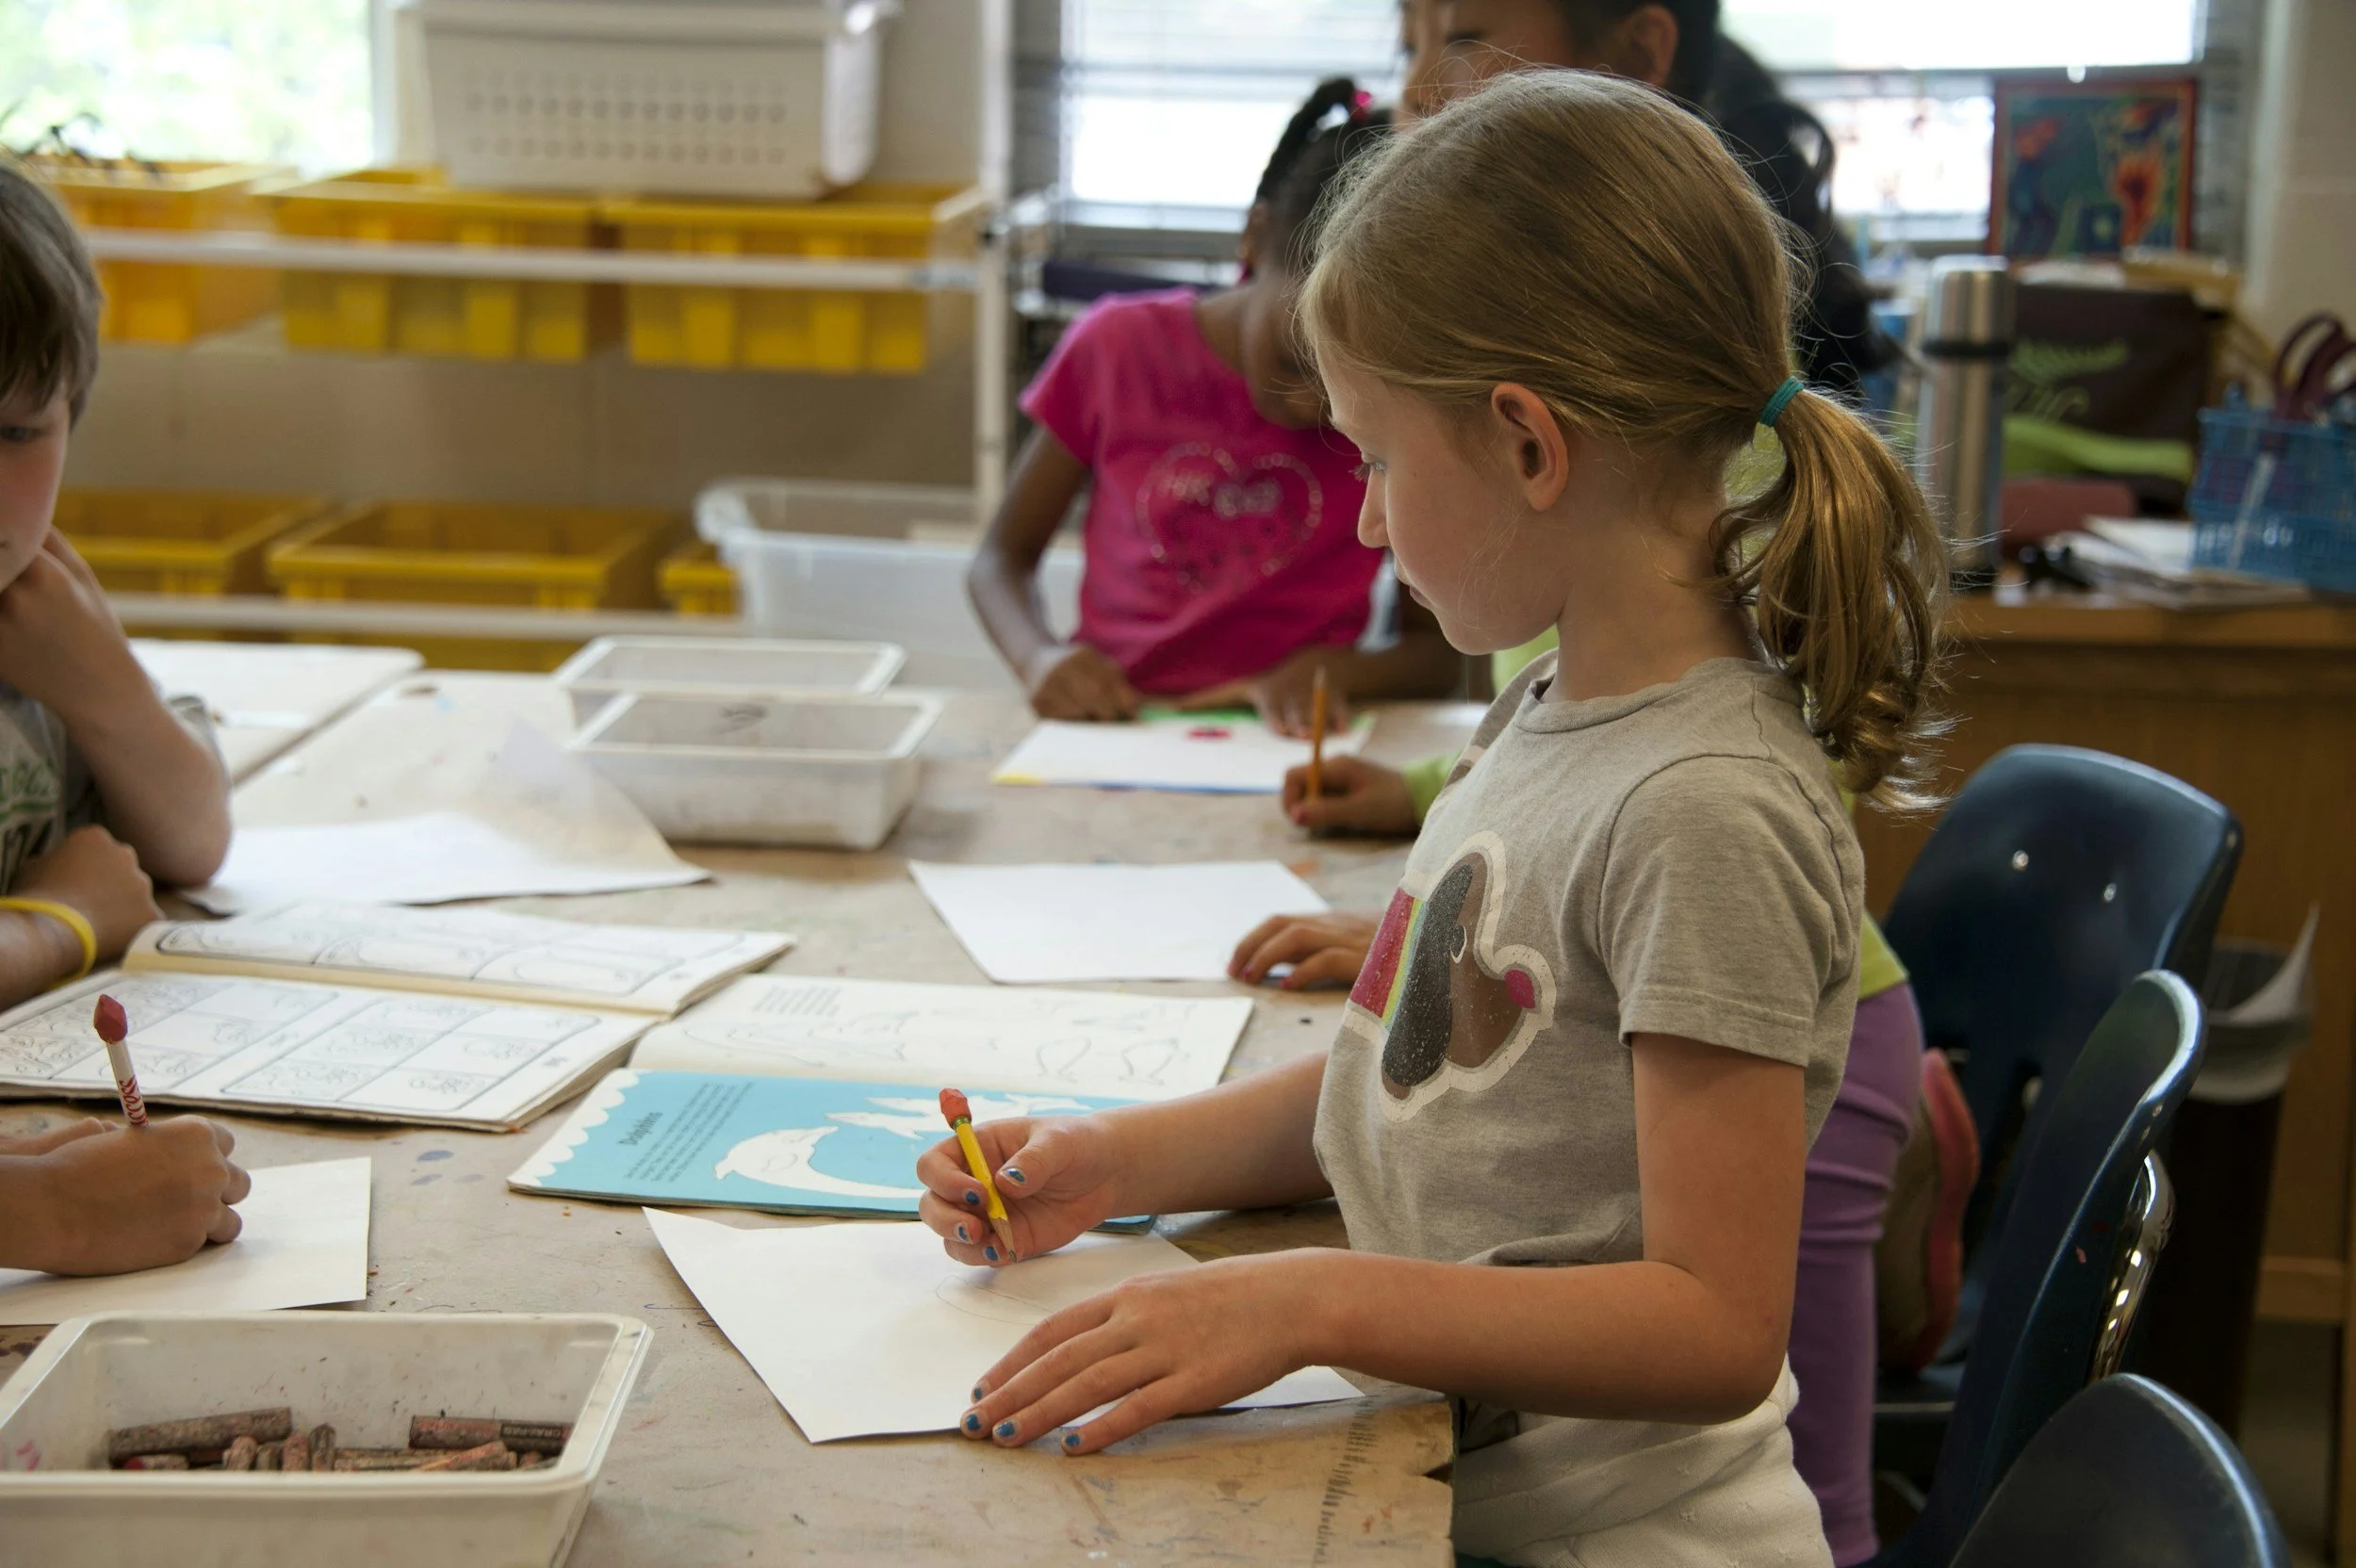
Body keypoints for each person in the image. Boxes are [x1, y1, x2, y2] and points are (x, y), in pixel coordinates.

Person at [917, 72, 1945, 1566]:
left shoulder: (1703, 808)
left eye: (1380, 457)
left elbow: (1714, 1325)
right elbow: (1408, 1080)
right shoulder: (1545, 718)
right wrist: (1120, 1164)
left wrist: (1310, 1299)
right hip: (1461, 1497)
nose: (1366, 519)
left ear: (1529, 447)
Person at [967, 79, 1458, 736]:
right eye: (1294, 360)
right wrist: (1039, 658)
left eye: (1346, 389)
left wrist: (1336, 672)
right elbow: (999, 559)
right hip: (1116, 729)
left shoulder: (1395, 403)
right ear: (1255, 239)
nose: (1312, 404)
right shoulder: (1116, 350)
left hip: (1288, 747)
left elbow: (1434, 654)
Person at [0, 157, 248, 1274]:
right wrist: (58, 926)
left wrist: (103, 684)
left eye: (15, 434)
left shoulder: (28, 619)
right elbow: (104, 891)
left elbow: (192, 836)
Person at [1403, 0, 1890, 395]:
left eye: (1462, 38)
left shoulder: (1665, 317)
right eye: (1410, 49)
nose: (1414, 91)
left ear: (1637, 54)